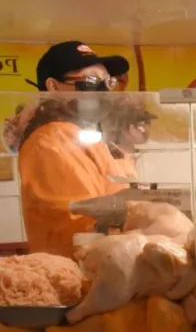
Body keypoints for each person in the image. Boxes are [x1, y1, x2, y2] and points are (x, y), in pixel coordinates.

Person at [17, 41, 131, 257]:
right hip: (80, 270)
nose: (104, 91)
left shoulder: (90, 137)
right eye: (90, 81)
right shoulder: (52, 140)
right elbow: (79, 222)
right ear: (53, 86)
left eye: (109, 82)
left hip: (109, 263)